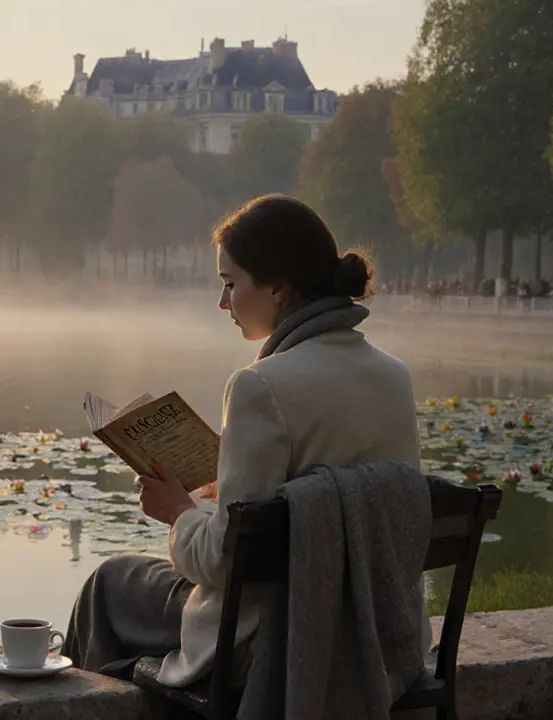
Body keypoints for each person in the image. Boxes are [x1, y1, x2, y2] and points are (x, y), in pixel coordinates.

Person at [60, 194, 428, 689]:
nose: (222, 302)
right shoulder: (394, 375)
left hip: (273, 633)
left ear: (277, 288)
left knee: (109, 585)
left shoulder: (260, 386)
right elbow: (334, 508)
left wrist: (178, 511)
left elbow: (225, 562)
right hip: (379, 634)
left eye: (230, 284)